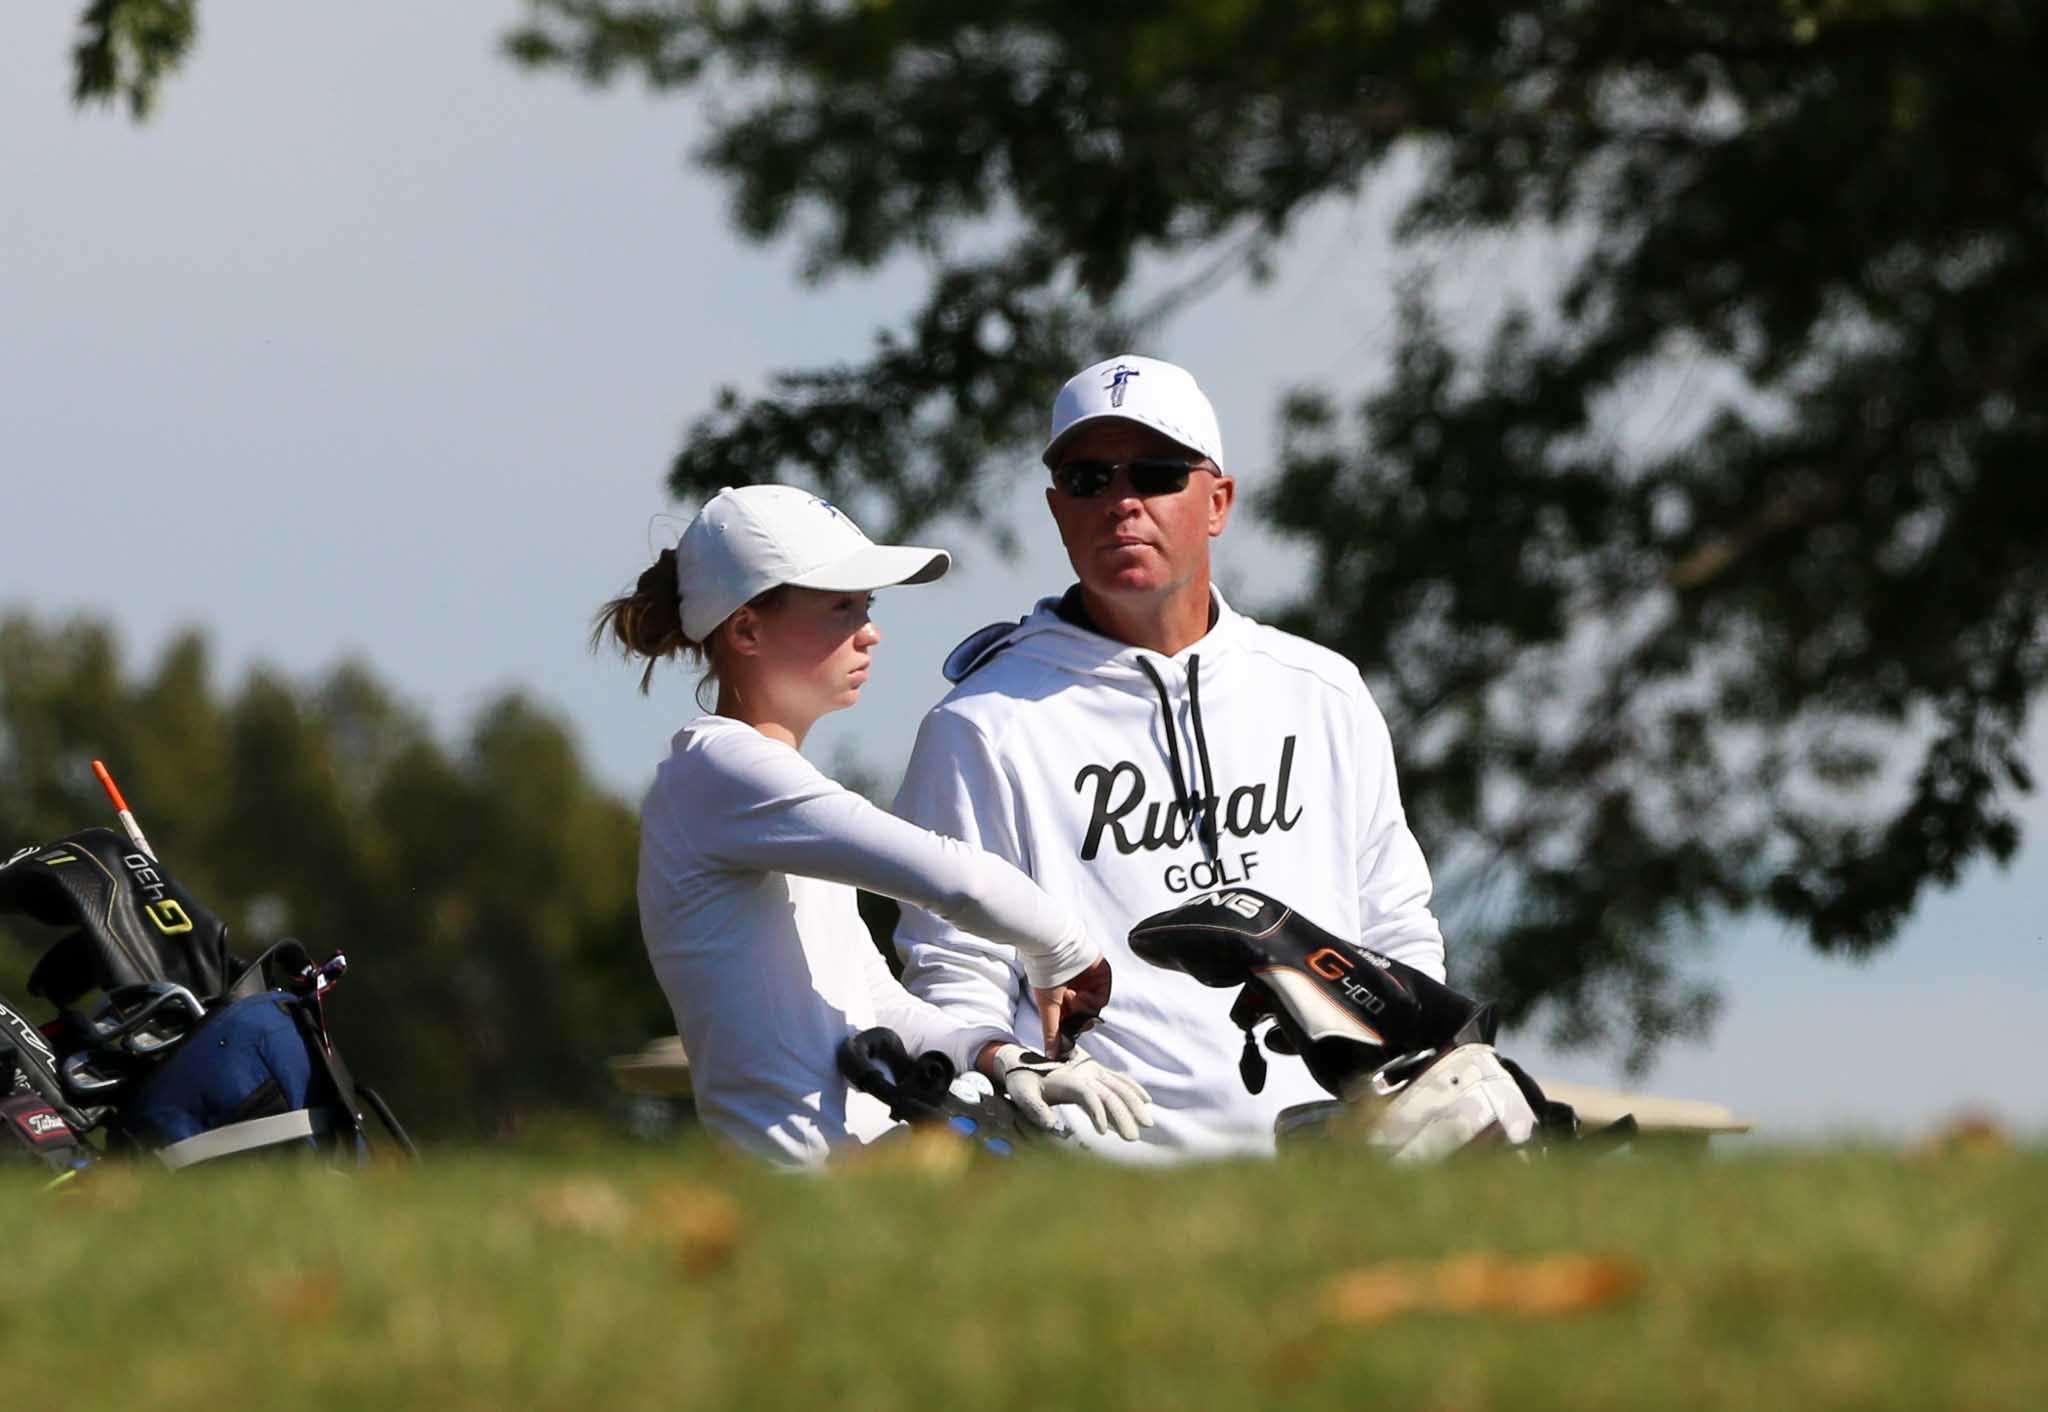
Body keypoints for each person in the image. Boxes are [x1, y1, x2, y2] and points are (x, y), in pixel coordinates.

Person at [892, 355, 1445, 1160]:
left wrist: (1414, 1085)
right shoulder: (980, 722)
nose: (1121, 503)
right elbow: (953, 970)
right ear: (1056, 509)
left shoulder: (1322, 690)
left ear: (1217, 501)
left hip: (1335, 1170)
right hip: (1104, 1186)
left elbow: (1395, 924)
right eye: (1087, 479)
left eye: (1154, 473)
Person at [598, 484, 1152, 1166]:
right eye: (840, 609)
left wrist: (1002, 1056)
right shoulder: (721, 770)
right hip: (797, 1208)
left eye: (867, 607)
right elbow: (954, 878)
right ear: (745, 630)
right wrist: (1065, 950)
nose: (870, 630)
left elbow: (874, 1004)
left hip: (856, 1191)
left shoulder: (750, 783)